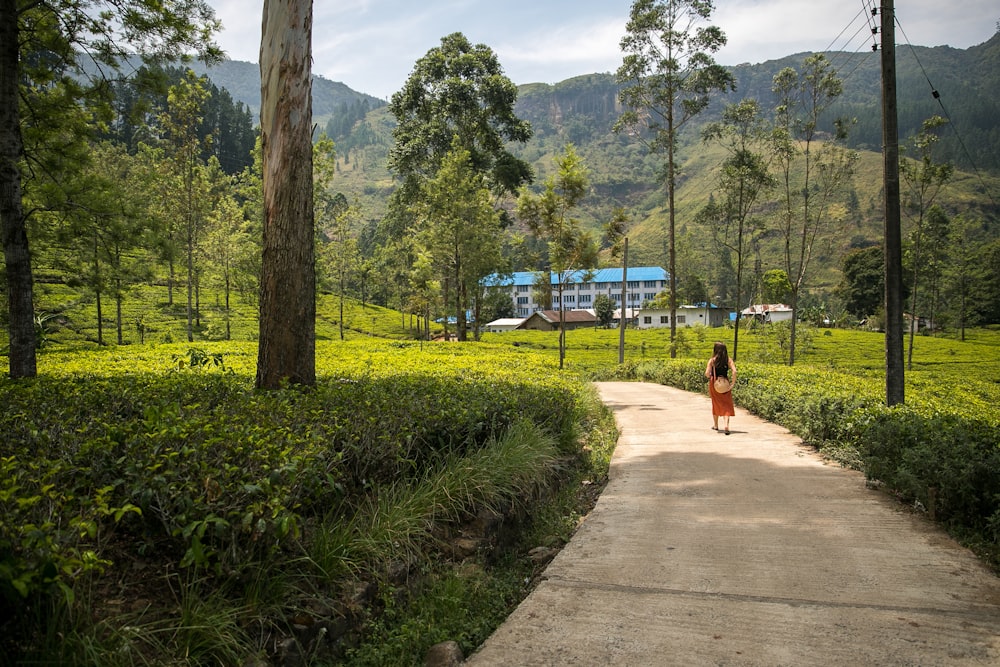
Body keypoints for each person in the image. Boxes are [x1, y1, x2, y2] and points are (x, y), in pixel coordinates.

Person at [704, 341, 737, 434]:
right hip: (725, 383)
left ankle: (716, 425)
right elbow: (734, 371)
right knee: (726, 404)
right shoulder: (728, 360)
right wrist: (732, 384)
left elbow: (707, 374)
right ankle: (726, 425)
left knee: (716, 403)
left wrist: (711, 374)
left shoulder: (712, 360)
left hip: (714, 383)